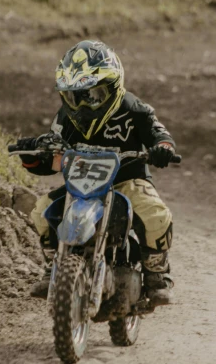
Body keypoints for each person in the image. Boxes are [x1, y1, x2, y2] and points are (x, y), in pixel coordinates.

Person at [15, 40, 178, 304]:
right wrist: (33, 151)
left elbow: (159, 133)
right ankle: (53, 268)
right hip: (80, 184)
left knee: (156, 214)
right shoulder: (66, 118)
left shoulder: (133, 108)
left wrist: (162, 147)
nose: (82, 106)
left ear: (112, 87)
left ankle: (156, 275)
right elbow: (52, 156)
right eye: (73, 97)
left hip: (127, 180)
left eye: (92, 96)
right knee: (42, 211)